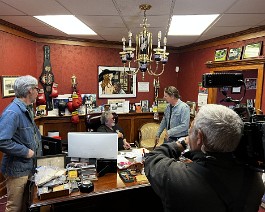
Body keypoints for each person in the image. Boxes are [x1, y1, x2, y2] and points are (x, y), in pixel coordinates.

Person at [145, 104, 265, 212]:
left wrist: (181, 143)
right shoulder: (255, 180)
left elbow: (153, 158)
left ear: (199, 137)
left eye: (191, 129)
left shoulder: (178, 178)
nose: (188, 133)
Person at [0, 75, 43, 212]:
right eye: (37, 89)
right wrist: (26, 152)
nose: (38, 92)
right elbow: (2, 141)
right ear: (30, 90)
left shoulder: (26, 108)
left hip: (27, 167)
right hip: (17, 169)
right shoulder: (13, 112)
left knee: (26, 203)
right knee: (15, 207)